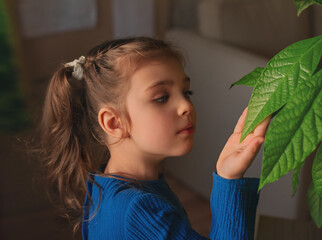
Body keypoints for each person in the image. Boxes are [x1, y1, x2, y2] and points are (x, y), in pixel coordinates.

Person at [39, 37, 270, 240]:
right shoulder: (139, 210)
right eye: (161, 98)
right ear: (113, 123)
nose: (186, 106)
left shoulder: (103, 184)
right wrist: (229, 180)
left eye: (186, 93)